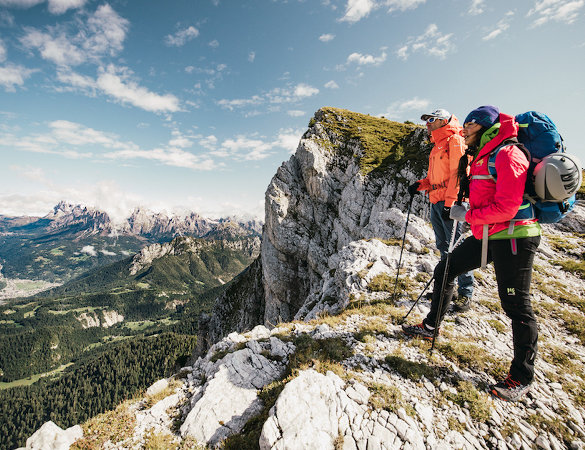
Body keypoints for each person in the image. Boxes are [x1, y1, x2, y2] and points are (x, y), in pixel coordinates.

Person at [402, 105, 542, 402]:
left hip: (515, 235)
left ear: (483, 127)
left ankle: (521, 377)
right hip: (490, 233)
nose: (464, 130)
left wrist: (467, 215)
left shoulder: (508, 154)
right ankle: (431, 326)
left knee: (516, 306)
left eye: (469, 126)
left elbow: (508, 206)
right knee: (446, 267)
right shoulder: (482, 155)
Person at [408, 109, 474, 313]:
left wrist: (451, 203)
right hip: (436, 201)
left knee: (457, 246)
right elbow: (435, 178)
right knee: (444, 246)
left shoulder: (455, 140)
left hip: (449, 202)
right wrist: (420, 184)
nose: (427, 123)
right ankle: (448, 288)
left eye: (431, 119)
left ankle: (466, 293)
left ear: (444, 121)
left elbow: (460, 174)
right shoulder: (437, 145)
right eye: (427, 119)